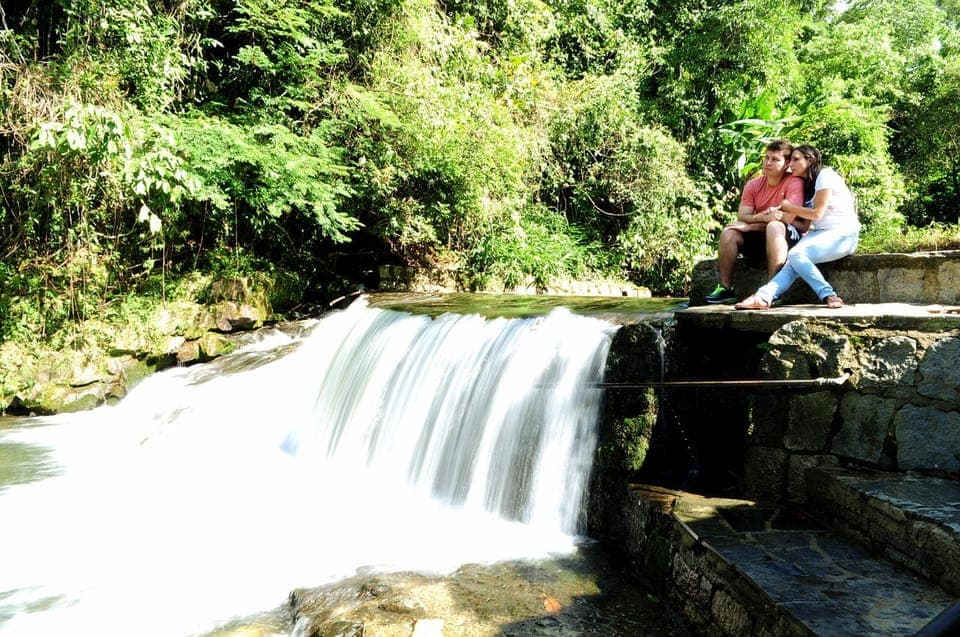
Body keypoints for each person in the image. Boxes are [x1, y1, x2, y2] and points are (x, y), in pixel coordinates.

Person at [734, 144, 859, 310]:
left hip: (844, 234)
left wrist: (787, 206)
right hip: (820, 234)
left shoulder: (825, 175)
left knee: (795, 254)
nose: (790, 164)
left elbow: (816, 214)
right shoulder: (809, 185)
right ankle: (763, 297)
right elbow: (804, 224)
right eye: (790, 160)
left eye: (796, 159)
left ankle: (829, 294)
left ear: (810, 160)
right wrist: (776, 215)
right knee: (792, 261)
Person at [705, 140, 808, 304]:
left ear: (787, 163)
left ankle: (773, 290)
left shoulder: (794, 182)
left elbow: (786, 219)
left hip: (787, 237)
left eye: (775, 159)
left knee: (775, 226)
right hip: (762, 236)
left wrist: (750, 225)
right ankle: (725, 288)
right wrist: (760, 218)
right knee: (729, 232)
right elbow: (743, 216)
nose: (768, 163)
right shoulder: (753, 185)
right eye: (766, 158)